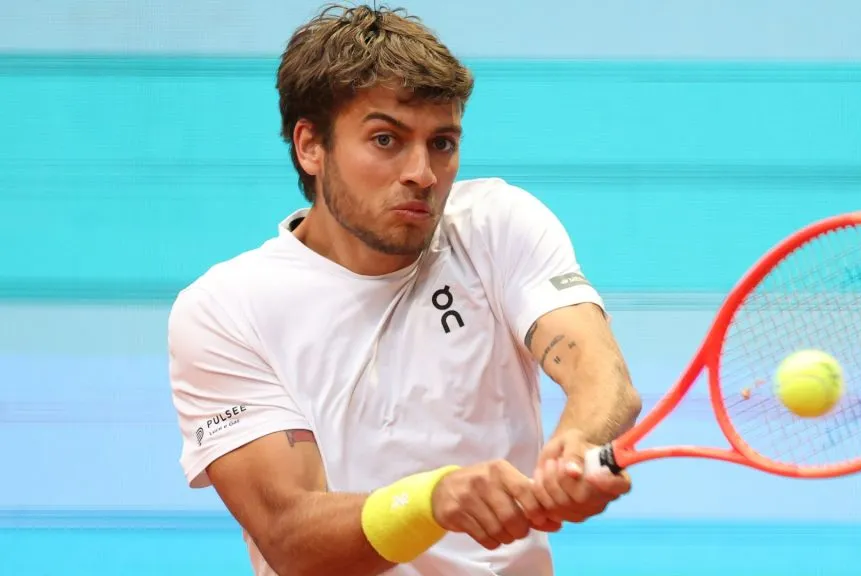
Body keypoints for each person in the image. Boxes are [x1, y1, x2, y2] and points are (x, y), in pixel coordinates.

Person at [167, 4, 642, 575]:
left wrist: (576, 442)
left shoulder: (496, 225)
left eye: (441, 143)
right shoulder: (224, 310)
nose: (422, 172)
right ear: (310, 146)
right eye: (386, 140)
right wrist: (433, 500)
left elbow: (600, 373)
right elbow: (290, 536)